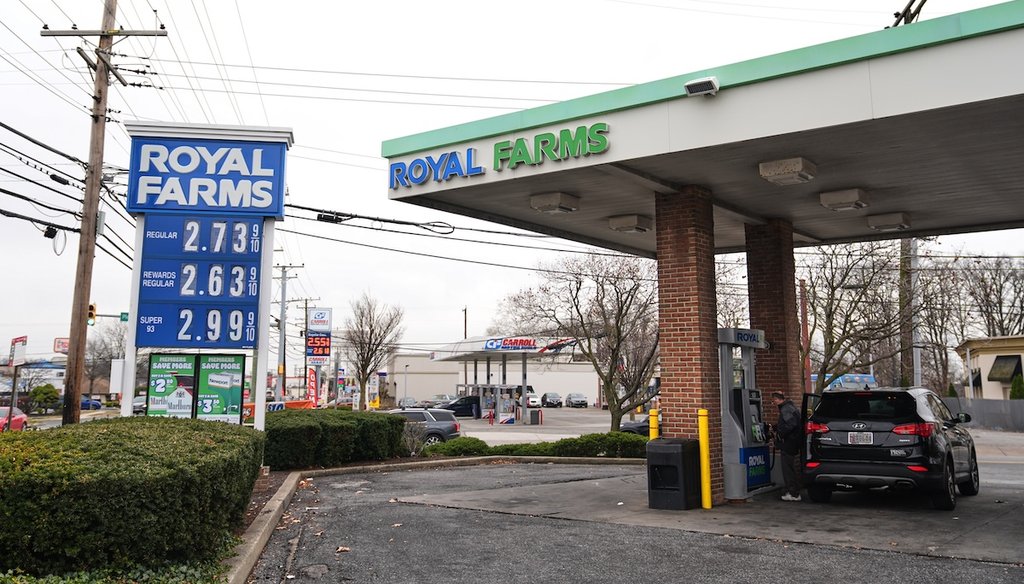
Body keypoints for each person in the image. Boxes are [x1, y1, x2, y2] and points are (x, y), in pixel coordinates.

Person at [771, 391, 802, 502]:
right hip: (793, 442)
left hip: (788, 443)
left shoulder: (786, 409)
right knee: (790, 467)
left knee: (787, 468)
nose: (774, 403)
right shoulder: (790, 407)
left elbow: (791, 424)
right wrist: (775, 427)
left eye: (774, 400)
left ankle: (793, 493)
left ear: (778, 399)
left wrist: (780, 433)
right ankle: (794, 491)